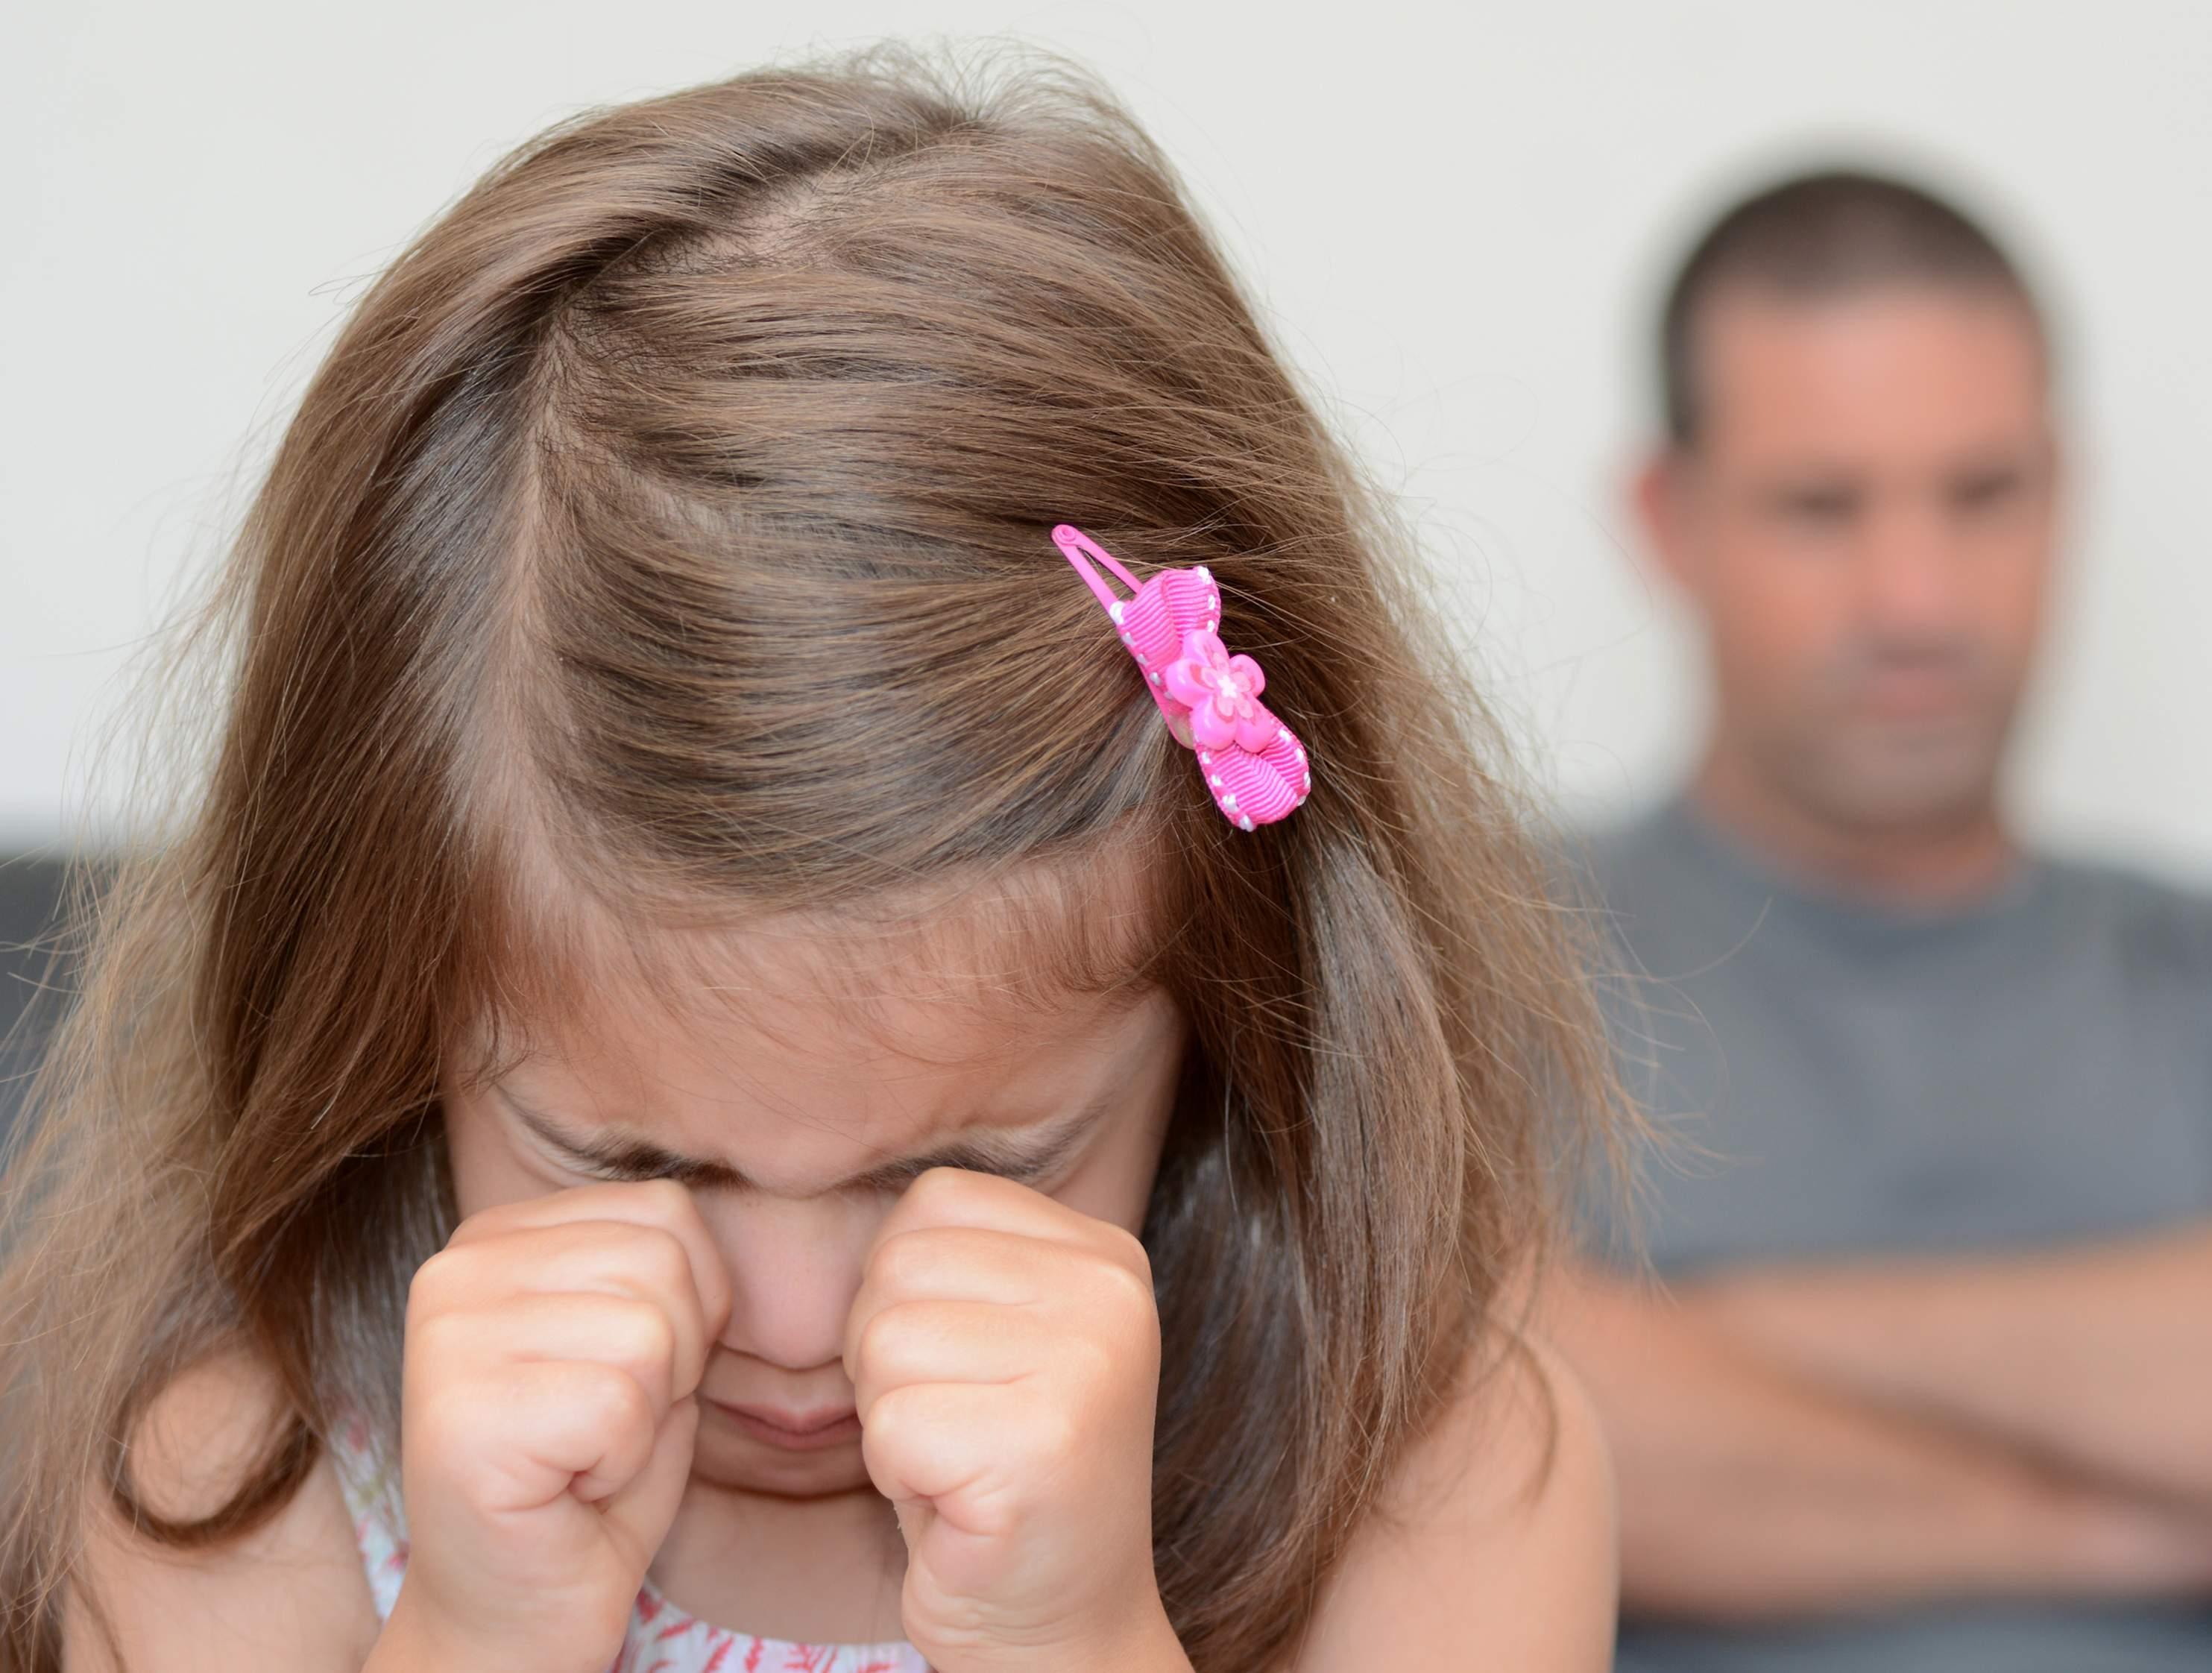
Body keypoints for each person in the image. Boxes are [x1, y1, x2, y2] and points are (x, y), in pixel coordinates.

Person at [0, 54, 1623, 1673]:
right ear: (368, 1013)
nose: (788, 1328)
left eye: (968, 1170)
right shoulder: (235, 1493)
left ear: (1240, 1015)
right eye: (631, 1162)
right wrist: (481, 1638)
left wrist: (1073, 1641)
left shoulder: (1429, 1487)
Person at [1554, 168, 2212, 1671]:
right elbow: (1478, 1425)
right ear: (1668, 521)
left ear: (2063, 489)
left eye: (1980, 494)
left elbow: (1557, 1387)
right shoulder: (1473, 962)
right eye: (1819, 507)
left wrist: (1693, 1339)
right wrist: (2133, 1521)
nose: (1913, 597)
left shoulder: (2188, 971)